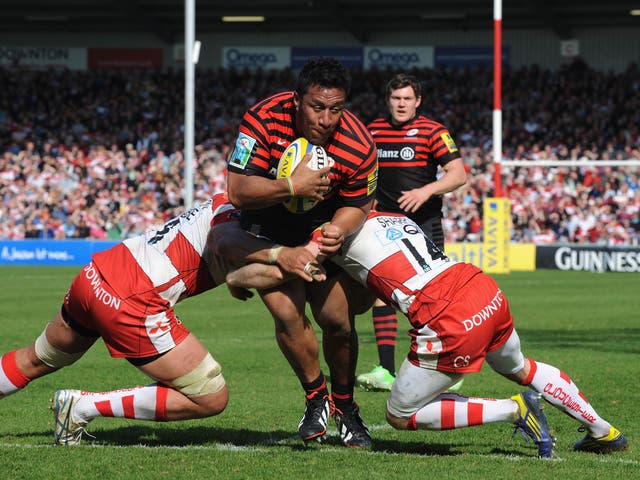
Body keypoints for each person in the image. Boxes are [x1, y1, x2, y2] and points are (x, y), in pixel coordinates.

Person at [225, 212, 628, 457]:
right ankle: (602, 431)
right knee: (521, 366)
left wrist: (235, 277)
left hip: (446, 315)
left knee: (400, 415)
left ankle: (514, 410)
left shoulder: (330, 231)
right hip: (481, 288)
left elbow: (279, 270)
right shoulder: (394, 217)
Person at [0, 193, 320, 445]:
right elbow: (228, 244)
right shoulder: (240, 217)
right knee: (211, 395)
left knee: (36, 359)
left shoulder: (229, 200)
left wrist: (240, 276)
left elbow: (236, 261)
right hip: (133, 300)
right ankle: (82, 406)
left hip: (96, 274)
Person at [226, 57, 378, 447]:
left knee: (337, 319)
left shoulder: (359, 143)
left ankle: (346, 407)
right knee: (287, 312)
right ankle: (317, 399)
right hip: (268, 229)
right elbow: (238, 190)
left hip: (322, 231)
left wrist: (338, 229)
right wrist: (292, 186)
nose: (326, 119)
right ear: (297, 100)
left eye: (335, 109)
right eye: (316, 107)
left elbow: (361, 202)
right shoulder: (263, 119)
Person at [357, 73, 468, 392]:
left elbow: (458, 174)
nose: (401, 103)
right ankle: (385, 370)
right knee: (383, 293)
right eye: (396, 98)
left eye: (407, 98)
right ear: (388, 100)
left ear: (417, 101)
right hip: (384, 226)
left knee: (430, 298)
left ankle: (444, 369)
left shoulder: (434, 131)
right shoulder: (372, 131)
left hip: (424, 225)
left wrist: (425, 191)